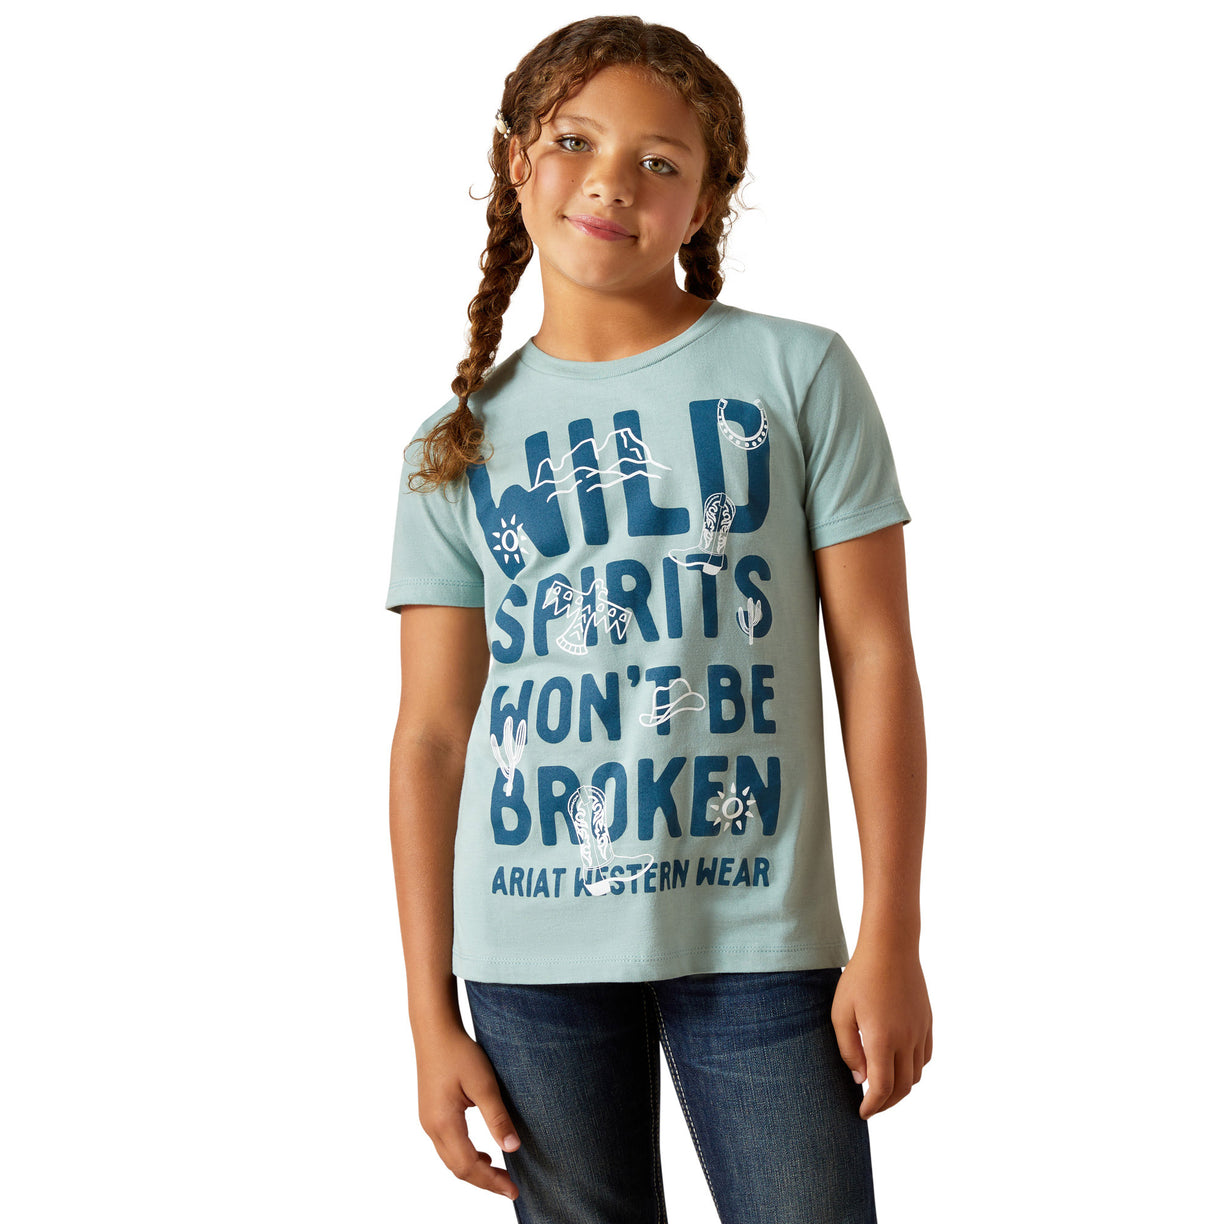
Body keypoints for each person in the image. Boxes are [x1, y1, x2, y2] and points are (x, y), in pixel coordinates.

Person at [386, 15, 931, 1222]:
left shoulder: (797, 374)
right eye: (575, 140)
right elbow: (430, 736)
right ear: (516, 161)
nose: (610, 183)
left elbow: (876, 656)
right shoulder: (450, 447)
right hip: (527, 962)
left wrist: (889, 930)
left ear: (706, 200)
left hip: (763, 943)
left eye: (659, 162)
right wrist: (430, 1014)